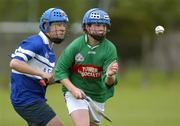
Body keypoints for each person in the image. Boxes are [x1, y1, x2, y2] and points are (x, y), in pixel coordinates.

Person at [55, 8, 119, 126]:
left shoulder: (110, 49)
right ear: (87, 27)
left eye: (104, 26)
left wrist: (110, 75)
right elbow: (60, 70)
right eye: (98, 25)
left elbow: (109, 83)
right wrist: (73, 89)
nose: (102, 29)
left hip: (97, 96)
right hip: (75, 93)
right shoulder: (76, 45)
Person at [9, 7, 69, 126]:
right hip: (26, 100)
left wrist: (63, 79)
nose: (62, 29)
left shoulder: (49, 50)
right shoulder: (35, 42)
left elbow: (44, 79)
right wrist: (42, 74)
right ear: (46, 25)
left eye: (64, 25)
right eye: (58, 24)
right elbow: (15, 63)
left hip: (35, 99)